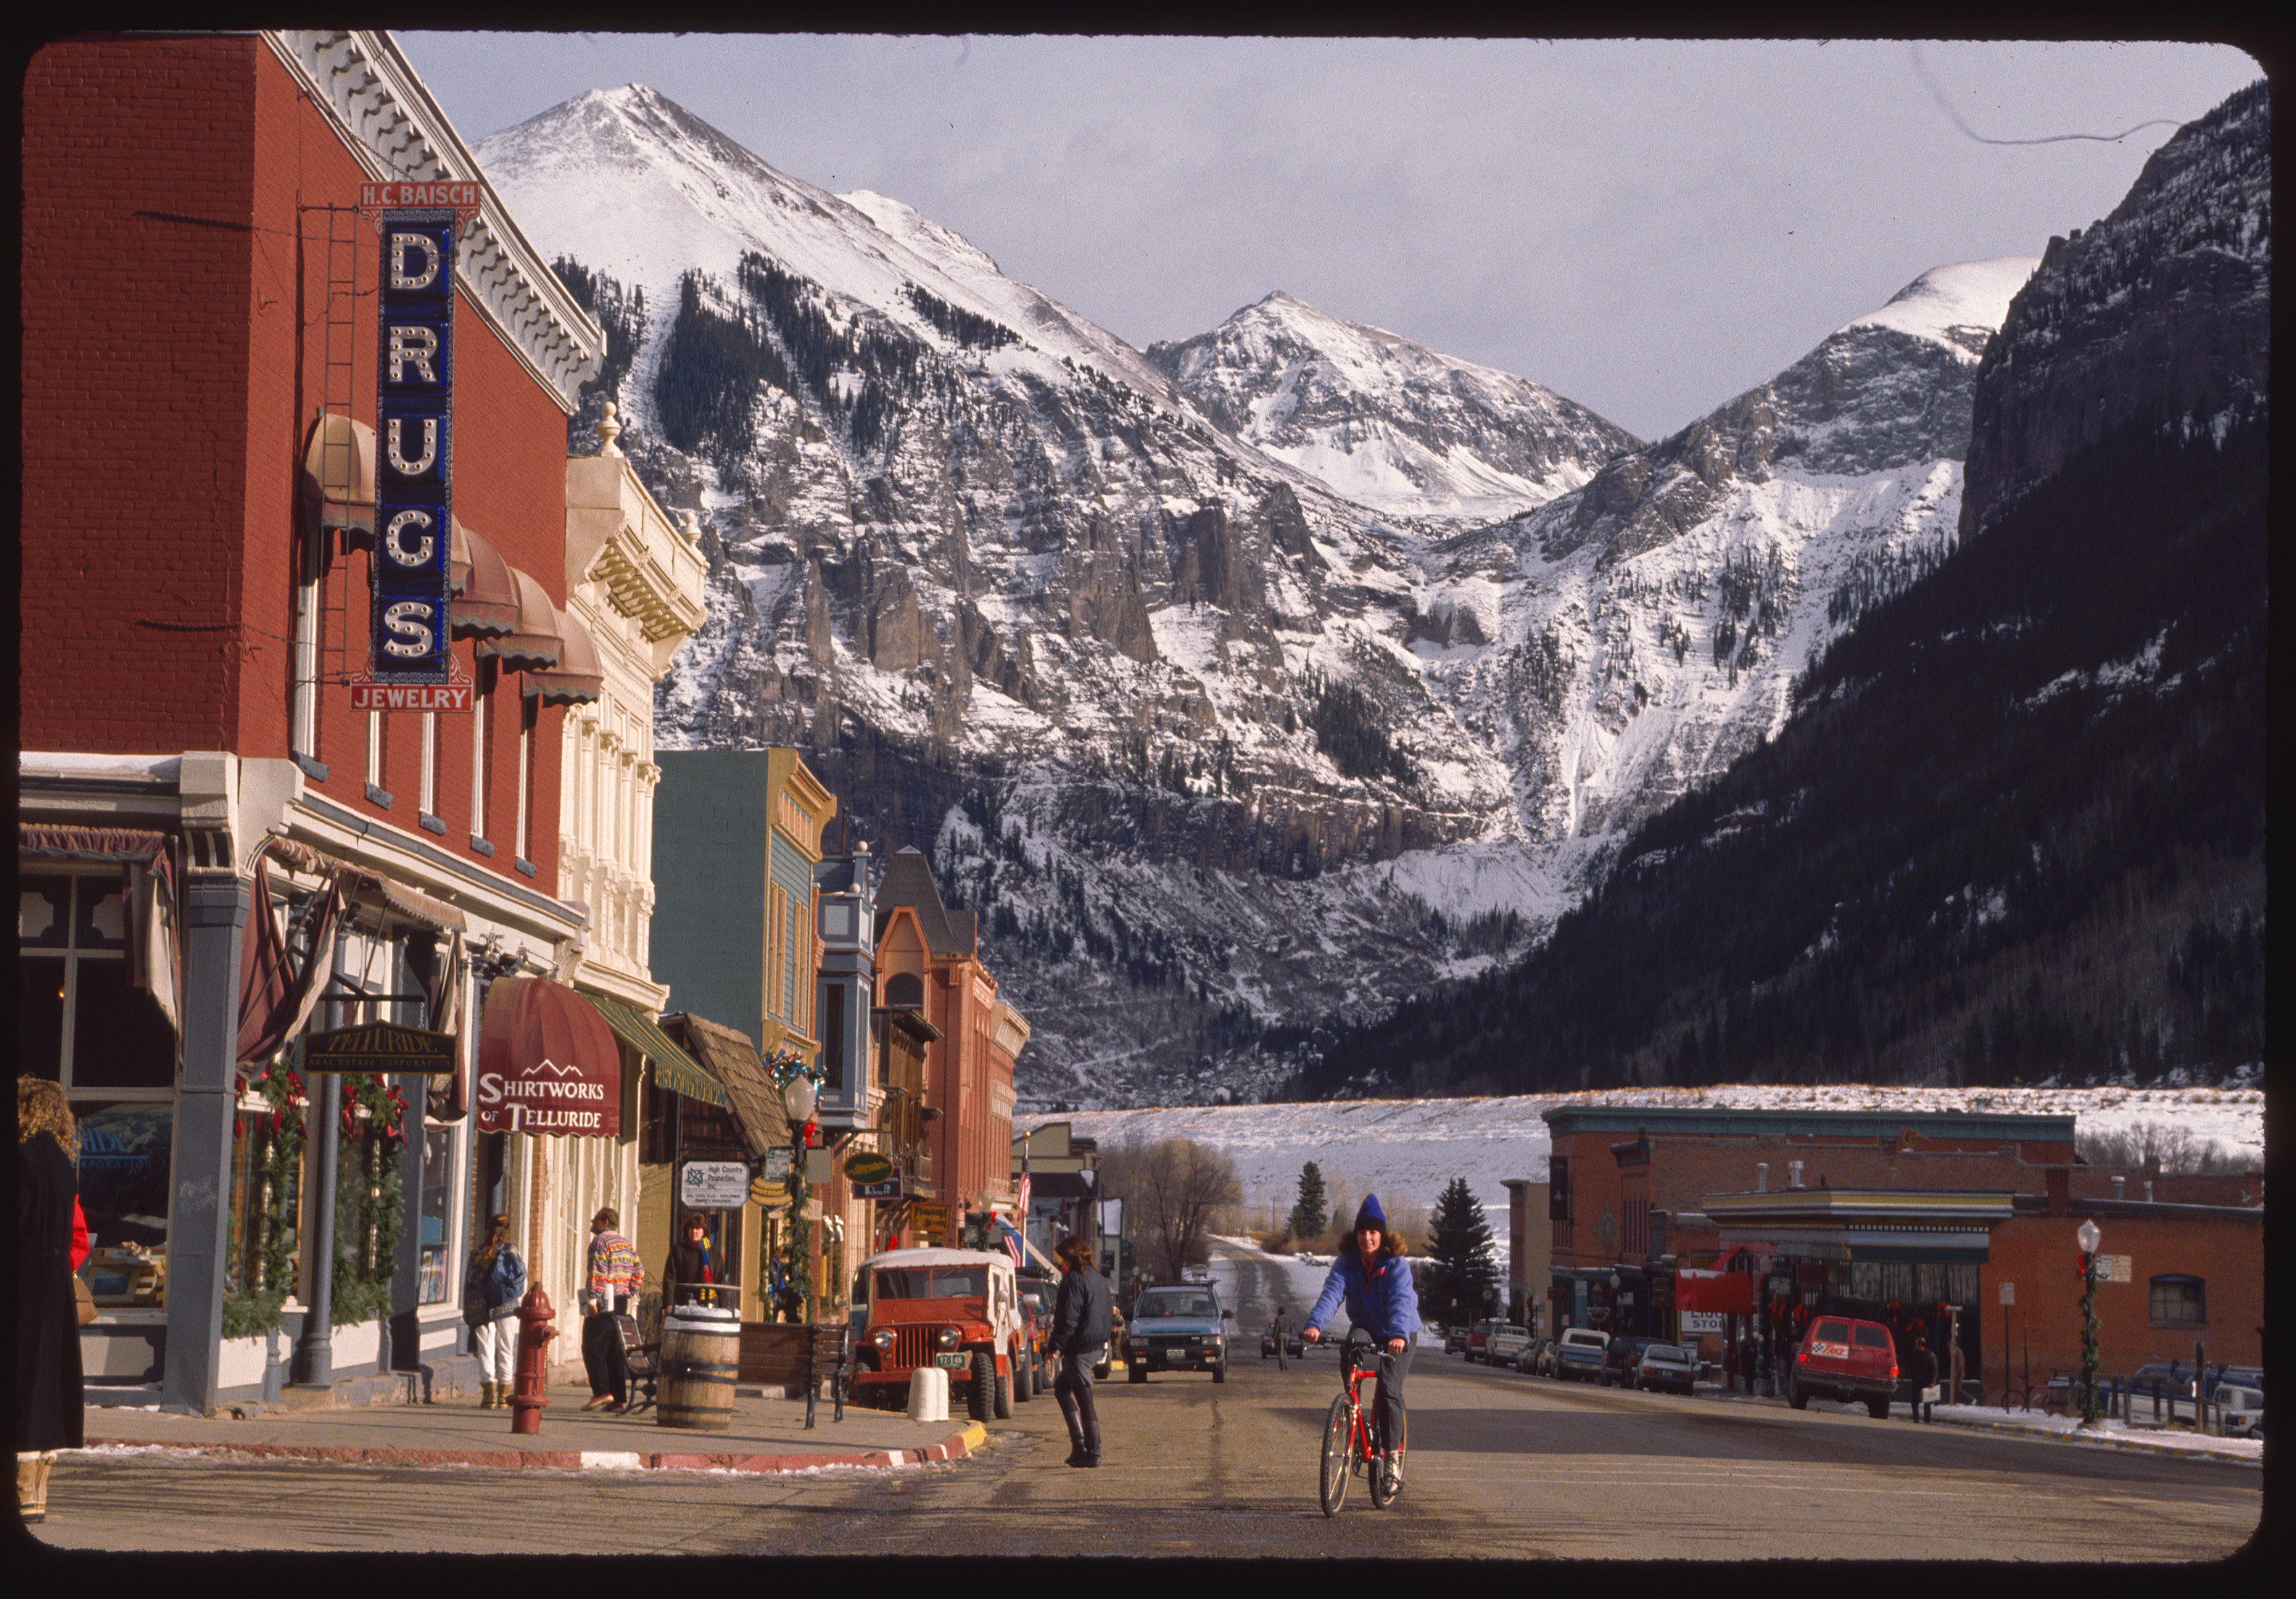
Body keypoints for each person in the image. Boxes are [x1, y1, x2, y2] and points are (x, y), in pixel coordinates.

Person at [1301, 1194, 1418, 1489]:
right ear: (1356, 1235)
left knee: (1390, 1390)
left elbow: (1402, 1302)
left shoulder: (1396, 1265)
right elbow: (1331, 1295)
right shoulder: (1346, 1263)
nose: (1367, 1238)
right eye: (1362, 1232)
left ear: (1383, 1235)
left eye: (1373, 1233)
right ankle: (1353, 1409)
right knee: (1351, 1345)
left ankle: (1391, 1458)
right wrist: (1315, 1325)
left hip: (1399, 1333)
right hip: (1366, 1326)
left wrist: (1398, 1335)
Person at [17, 1077, 85, 1524]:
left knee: (21, 1378)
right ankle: (38, 1484)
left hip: (24, 1277)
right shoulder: (63, 1161)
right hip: (56, 1280)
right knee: (44, 1379)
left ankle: (22, 1480)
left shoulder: (23, 1158)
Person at [1050, 1234, 1112, 1467]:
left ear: (1068, 1255)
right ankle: (1079, 1446)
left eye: (1059, 1257)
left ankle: (1092, 1452)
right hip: (1095, 1345)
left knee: (1084, 1399)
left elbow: (1068, 1319)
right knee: (1061, 1389)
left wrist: (1054, 1347)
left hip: (1079, 1348)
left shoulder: (1075, 1279)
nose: (1058, 1262)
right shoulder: (1097, 1276)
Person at [581, 1207, 644, 1411]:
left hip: (603, 1300)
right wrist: (629, 1289)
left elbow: (598, 1273)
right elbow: (639, 1271)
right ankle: (618, 1398)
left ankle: (601, 1392)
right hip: (621, 1301)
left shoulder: (600, 1242)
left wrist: (592, 1299)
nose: (592, 1224)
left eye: (596, 1220)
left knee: (592, 1345)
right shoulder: (626, 1244)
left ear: (605, 1222)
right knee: (615, 1350)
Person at [462, 1213, 526, 1409]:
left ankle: (488, 1395)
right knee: (506, 1347)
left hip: (480, 1305)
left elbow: (469, 1281)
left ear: (488, 1229)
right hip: (505, 1304)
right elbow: (520, 1276)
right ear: (506, 1231)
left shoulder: (477, 1252)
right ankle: (504, 1396)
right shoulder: (510, 1251)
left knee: (485, 1348)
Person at [665, 1212, 720, 1310]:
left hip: (709, 1305)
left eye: (698, 1228)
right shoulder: (679, 1250)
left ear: (703, 1231)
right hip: (684, 1304)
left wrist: (724, 1305)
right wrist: (668, 1305)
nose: (694, 1231)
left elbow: (721, 1279)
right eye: (691, 1229)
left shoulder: (713, 1251)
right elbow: (670, 1279)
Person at [1907, 1331, 1939, 1423]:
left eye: (1917, 1345)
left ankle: (1927, 1418)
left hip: (1927, 1379)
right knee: (1914, 1399)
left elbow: (1934, 1369)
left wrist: (1933, 1380)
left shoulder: (1930, 1355)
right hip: (1917, 1379)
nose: (1915, 1346)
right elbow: (1912, 1365)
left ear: (1921, 1346)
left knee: (1927, 1400)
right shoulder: (1915, 1353)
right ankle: (1916, 1417)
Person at [1271, 1303, 1290, 1371]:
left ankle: (1282, 1366)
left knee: (1280, 1351)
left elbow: (1276, 1328)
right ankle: (1286, 1364)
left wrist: (1273, 1336)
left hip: (1280, 1334)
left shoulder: (1278, 1318)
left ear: (1279, 1312)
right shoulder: (1288, 1318)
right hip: (1287, 1335)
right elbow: (1291, 1327)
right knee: (1285, 1351)